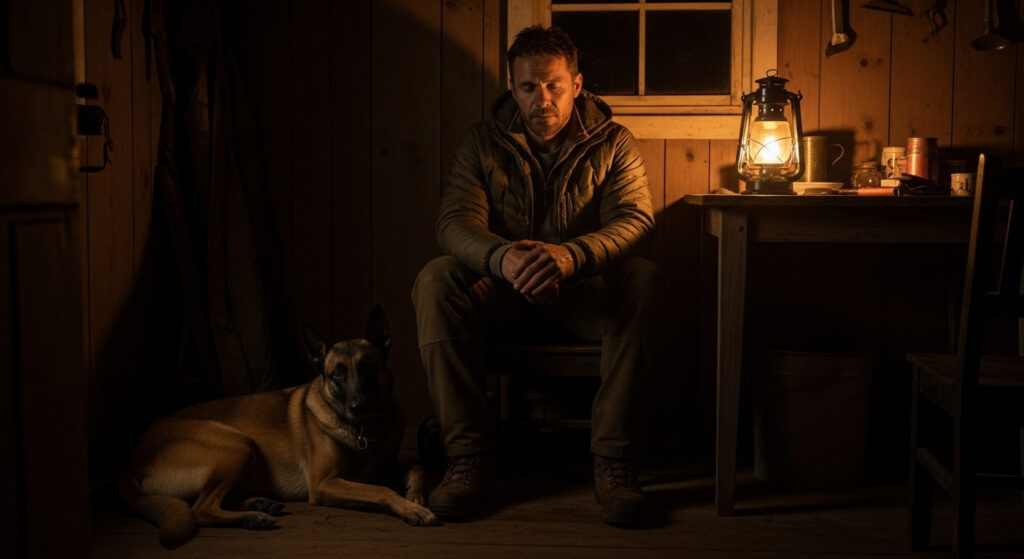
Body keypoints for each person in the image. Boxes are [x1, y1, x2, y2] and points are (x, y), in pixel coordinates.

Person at [411, 25, 667, 528]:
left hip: (582, 298)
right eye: (528, 87)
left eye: (553, 85)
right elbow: (454, 222)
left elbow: (635, 221)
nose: (541, 99)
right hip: (502, 295)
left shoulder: (614, 143)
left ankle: (614, 460)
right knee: (436, 279)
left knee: (644, 279)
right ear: (513, 87)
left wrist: (570, 257)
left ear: (577, 83)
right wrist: (504, 260)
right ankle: (467, 459)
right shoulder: (482, 142)